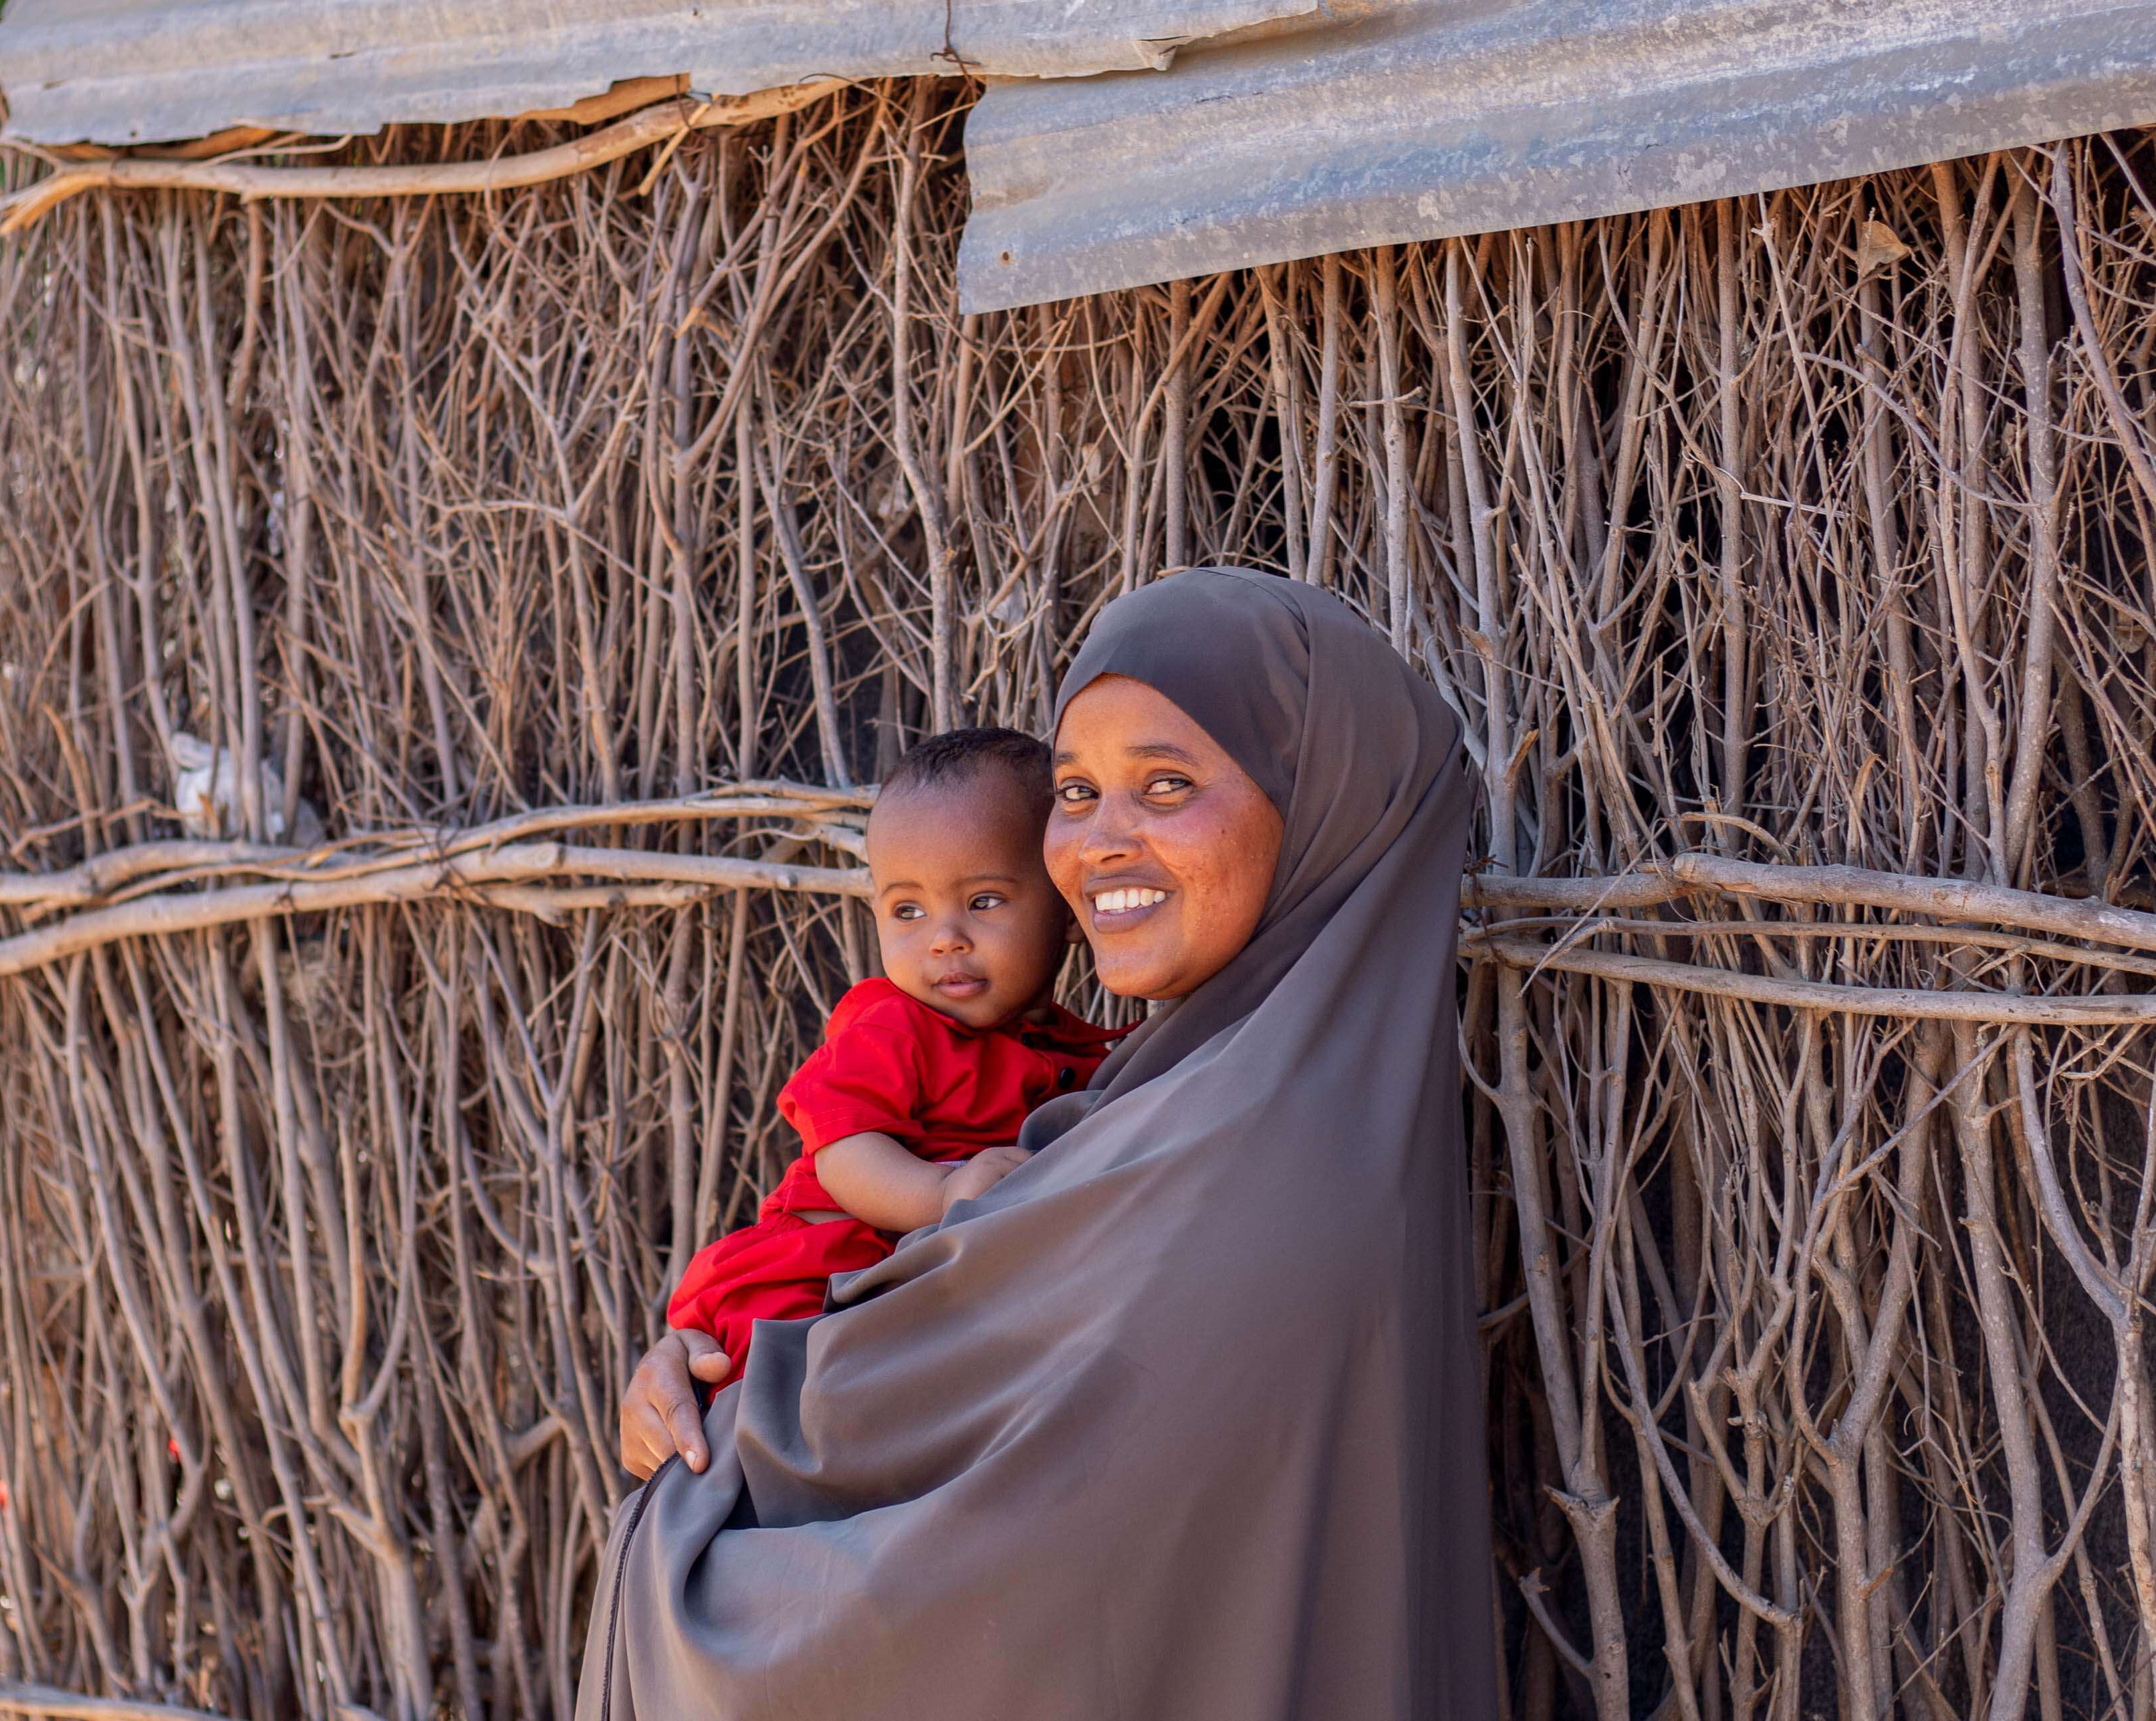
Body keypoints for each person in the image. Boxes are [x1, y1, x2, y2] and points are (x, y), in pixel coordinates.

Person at [582, 569, 1499, 1721]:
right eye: (1075, 791)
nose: (1098, 842)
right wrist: (712, 1354)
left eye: (1166, 784)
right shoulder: (1183, 1096)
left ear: (1325, 802)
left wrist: (700, 1479)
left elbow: (984, 1591)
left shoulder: (1252, 1174)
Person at [658, 727, 1126, 1381]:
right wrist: (943, 1192)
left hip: (916, 1293)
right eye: (908, 910)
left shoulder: (1084, 1055)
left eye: (983, 901)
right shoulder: (891, 1026)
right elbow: (844, 1154)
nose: (944, 939)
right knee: (789, 1396)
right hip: (809, 1275)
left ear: (1069, 911)